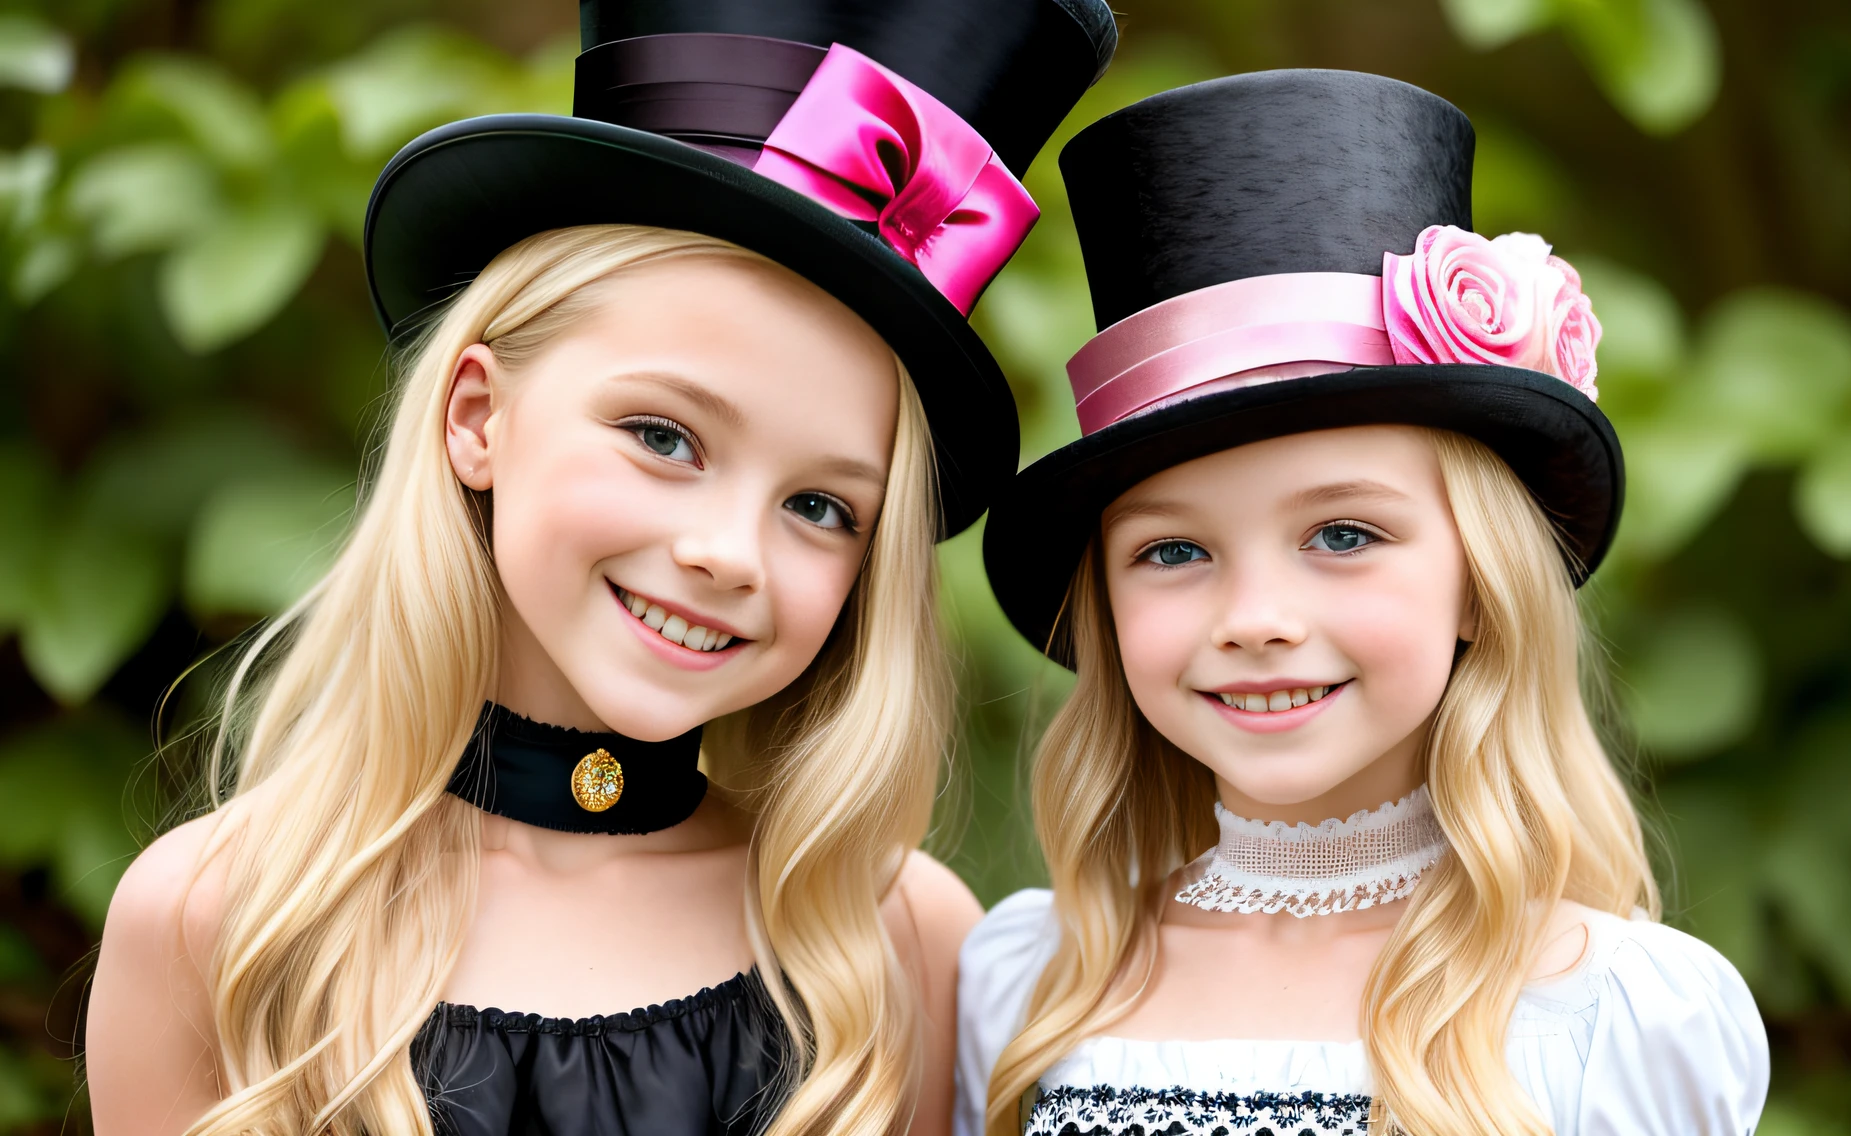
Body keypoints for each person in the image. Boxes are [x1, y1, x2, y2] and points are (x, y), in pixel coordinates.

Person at [83, 1, 1116, 1133]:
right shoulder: (219, 920)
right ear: (478, 414)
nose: (725, 552)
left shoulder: (893, 942)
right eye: (663, 436)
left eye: (819, 506)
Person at [955, 70, 1769, 1136]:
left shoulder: (1610, 1011)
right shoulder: (1031, 981)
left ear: (1479, 581)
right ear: (1101, 602)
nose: (1254, 617)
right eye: (1172, 548)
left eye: (1343, 534)